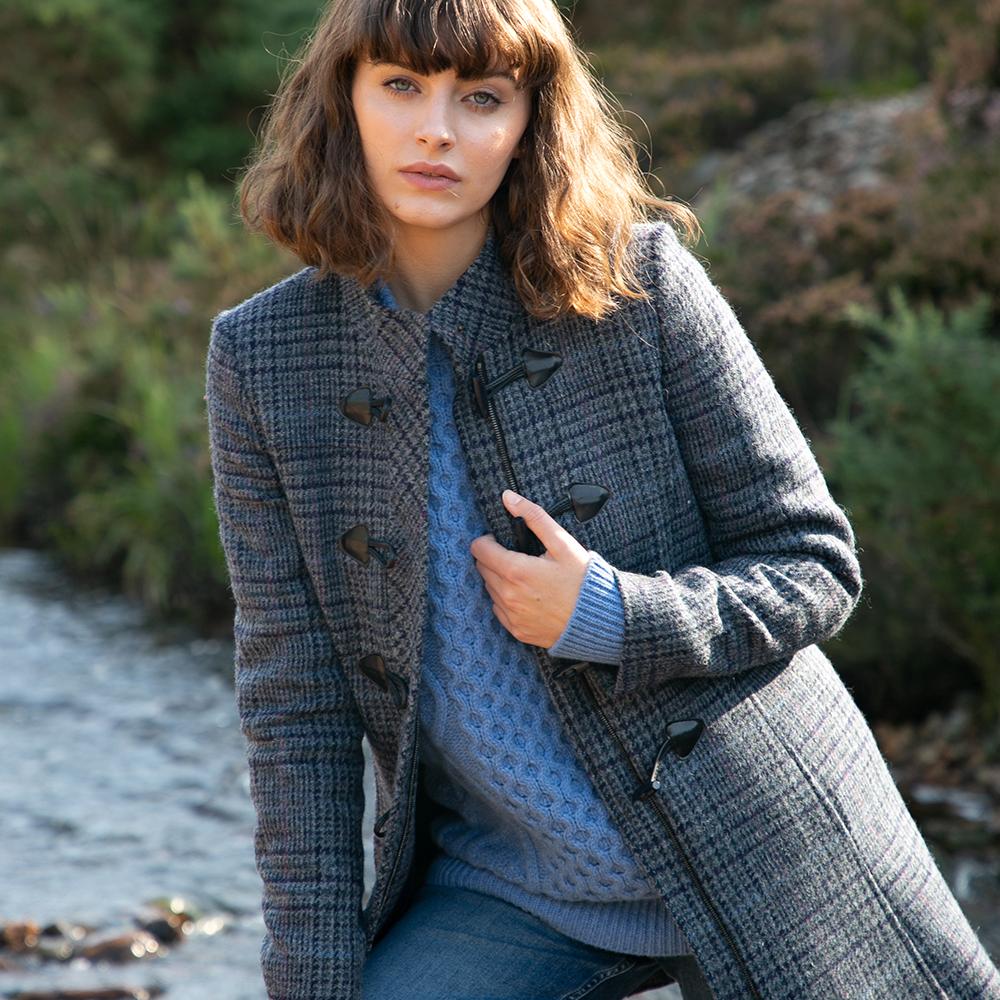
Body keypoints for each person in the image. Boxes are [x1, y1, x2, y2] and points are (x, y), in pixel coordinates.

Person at [204, 0, 1000, 998]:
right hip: (510, 888)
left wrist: (615, 615)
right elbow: (295, 709)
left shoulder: (643, 285)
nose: (436, 130)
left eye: (481, 98)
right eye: (400, 86)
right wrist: (309, 984)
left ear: (530, 122)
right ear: (344, 99)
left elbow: (814, 563)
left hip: (760, 840)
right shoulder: (263, 359)